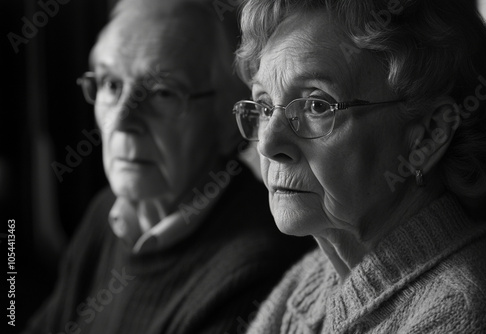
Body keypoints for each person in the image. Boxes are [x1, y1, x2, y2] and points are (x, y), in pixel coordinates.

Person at [23, 0, 313, 333]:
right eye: (111, 85)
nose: (121, 120)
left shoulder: (254, 270)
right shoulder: (107, 213)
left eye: (162, 92)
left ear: (228, 120)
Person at [232, 0, 486, 332]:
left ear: (429, 135)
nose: (269, 145)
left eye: (317, 105)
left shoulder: (463, 313)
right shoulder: (312, 277)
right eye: (264, 106)